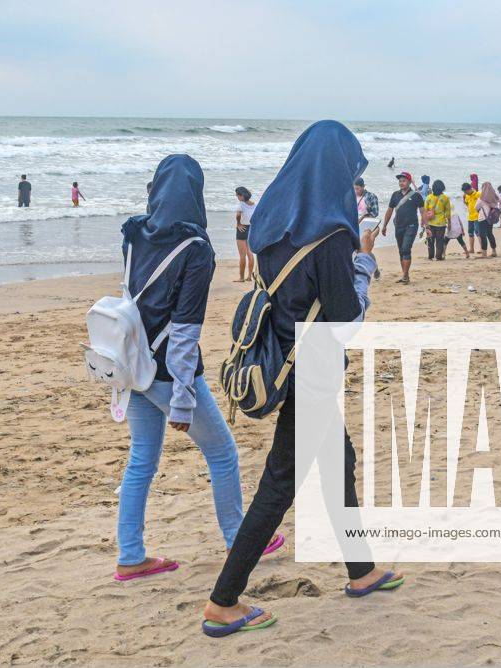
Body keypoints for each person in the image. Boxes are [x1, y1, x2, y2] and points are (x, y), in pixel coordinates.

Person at [202, 121, 402, 638]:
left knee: (340, 461)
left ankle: (361, 569)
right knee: (280, 483)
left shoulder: (270, 221)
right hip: (310, 369)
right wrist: (363, 266)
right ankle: (224, 601)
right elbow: (346, 322)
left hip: (282, 358)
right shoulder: (333, 236)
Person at [115, 155, 282, 583]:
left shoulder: (134, 233)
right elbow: (186, 331)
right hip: (170, 373)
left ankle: (131, 555)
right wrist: (184, 401)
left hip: (134, 364)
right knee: (223, 453)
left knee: (141, 461)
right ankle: (238, 540)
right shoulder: (196, 249)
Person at [381, 171, 426, 285]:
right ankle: (405, 275)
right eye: (400, 181)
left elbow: (422, 212)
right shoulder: (395, 195)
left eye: (404, 181)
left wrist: (427, 226)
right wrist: (384, 225)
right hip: (398, 226)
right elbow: (389, 211)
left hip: (411, 226)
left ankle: (405, 276)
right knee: (401, 251)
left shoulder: (416, 196)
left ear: (410, 182)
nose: (401, 183)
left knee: (406, 249)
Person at [354, 178, 381, 280]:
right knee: (359, 250)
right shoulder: (351, 197)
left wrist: (364, 215)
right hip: (356, 226)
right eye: (354, 189)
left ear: (363, 187)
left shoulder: (371, 196)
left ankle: (369, 269)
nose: (356, 191)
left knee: (366, 249)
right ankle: (375, 268)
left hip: (370, 226)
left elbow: (375, 213)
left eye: (358, 188)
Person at [424, 179, 452, 261]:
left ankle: (431, 256)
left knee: (430, 240)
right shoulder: (445, 198)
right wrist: (449, 222)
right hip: (441, 223)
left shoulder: (429, 197)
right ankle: (438, 256)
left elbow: (425, 210)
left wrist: (424, 222)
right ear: (442, 188)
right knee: (440, 241)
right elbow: (448, 212)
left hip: (430, 222)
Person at [234, 186, 256, 282]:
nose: (237, 197)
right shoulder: (254, 205)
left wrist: (238, 224)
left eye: (237, 195)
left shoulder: (241, 204)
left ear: (242, 196)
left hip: (242, 229)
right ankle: (249, 277)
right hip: (251, 228)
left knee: (242, 255)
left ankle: (241, 278)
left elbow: (238, 215)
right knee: (250, 253)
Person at [475, 181, 500, 258]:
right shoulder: (494, 198)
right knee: (490, 234)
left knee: (482, 235)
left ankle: (484, 253)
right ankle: (494, 251)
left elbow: (476, 207)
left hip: (482, 218)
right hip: (490, 218)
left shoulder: (481, 199)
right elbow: (499, 204)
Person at [462, 181, 481, 249]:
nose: (465, 193)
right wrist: (463, 199)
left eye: (466, 191)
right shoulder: (466, 196)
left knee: (478, 233)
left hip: (477, 217)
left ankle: (482, 249)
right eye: (464, 192)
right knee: (470, 233)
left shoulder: (478, 194)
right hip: (470, 217)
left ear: (470, 189)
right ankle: (471, 249)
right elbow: (467, 204)